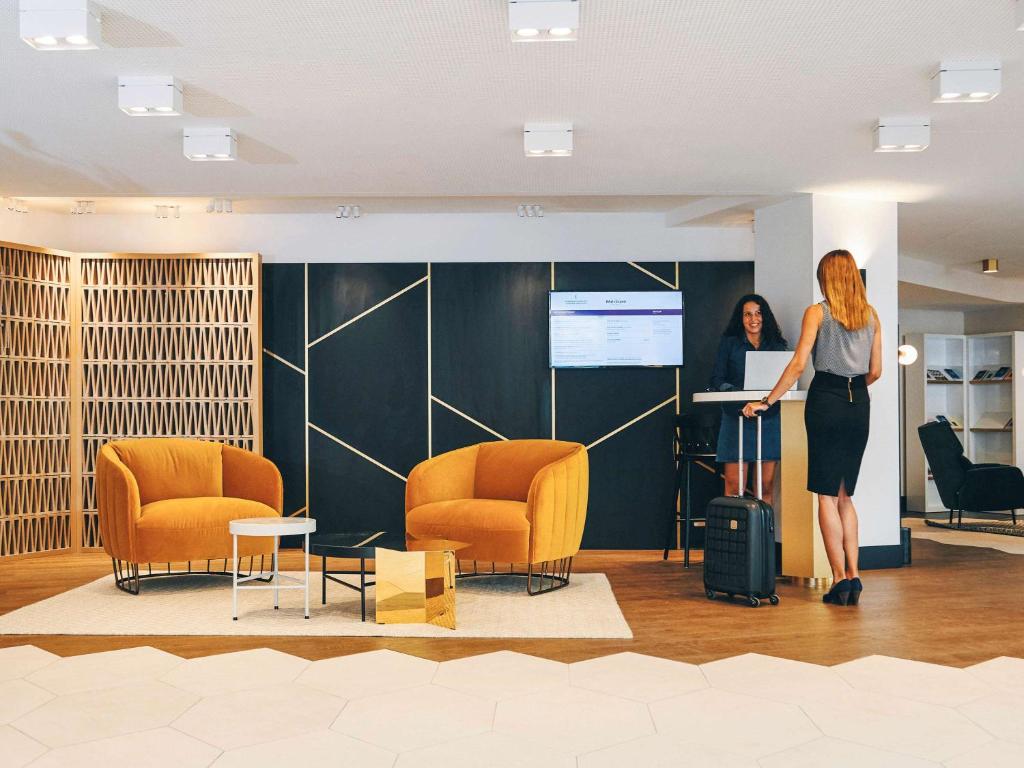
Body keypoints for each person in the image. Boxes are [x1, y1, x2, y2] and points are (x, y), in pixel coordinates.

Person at [743, 250, 882, 607]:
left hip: (827, 400)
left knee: (824, 493)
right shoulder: (871, 316)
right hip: (859, 404)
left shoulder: (817, 312)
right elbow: (876, 371)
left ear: (826, 278)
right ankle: (854, 574)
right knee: (845, 495)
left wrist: (768, 401)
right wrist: (853, 387)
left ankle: (837, 579)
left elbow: (799, 363)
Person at [709, 294, 788, 500]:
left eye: (758, 313)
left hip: (768, 419)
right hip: (736, 417)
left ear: (765, 316)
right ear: (741, 318)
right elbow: (717, 379)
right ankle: (736, 533)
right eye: (747, 314)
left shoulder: (777, 345)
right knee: (734, 487)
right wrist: (736, 394)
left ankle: (762, 533)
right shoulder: (730, 343)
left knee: (766, 487)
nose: (753, 319)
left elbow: (785, 382)